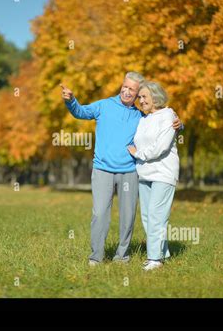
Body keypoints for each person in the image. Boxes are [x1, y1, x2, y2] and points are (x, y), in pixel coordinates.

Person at [60, 72, 181, 266]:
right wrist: (71, 100)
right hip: (102, 169)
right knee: (99, 213)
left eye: (132, 90)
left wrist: (179, 125)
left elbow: (161, 120)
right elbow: (80, 112)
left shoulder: (140, 114)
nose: (126, 91)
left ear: (136, 94)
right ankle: (96, 257)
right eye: (124, 86)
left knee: (128, 217)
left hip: (130, 171)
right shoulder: (104, 105)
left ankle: (122, 256)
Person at [127, 81, 179, 271]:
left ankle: (155, 260)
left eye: (144, 97)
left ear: (155, 97)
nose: (140, 101)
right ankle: (162, 253)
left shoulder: (168, 116)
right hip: (144, 173)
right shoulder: (144, 119)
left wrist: (137, 154)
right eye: (139, 97)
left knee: (157, 216)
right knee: (148, 217)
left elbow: (161, 147)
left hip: (163, 173)